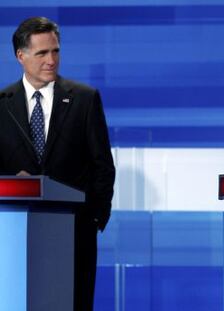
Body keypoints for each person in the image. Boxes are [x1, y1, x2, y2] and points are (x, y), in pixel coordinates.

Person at [0, 17, 115, 311]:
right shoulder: (2, 104)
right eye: (42, 53)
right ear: (20, 56)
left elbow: (103, 165)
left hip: (74, 231)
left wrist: (94, 219)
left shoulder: (85, 99)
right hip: (14, 233)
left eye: (56, 51)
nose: (51, 60)